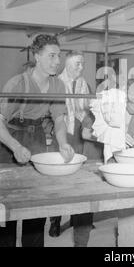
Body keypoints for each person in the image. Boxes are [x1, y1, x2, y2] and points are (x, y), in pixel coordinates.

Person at [0, 34, 74, 247]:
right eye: (52, 56)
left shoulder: (58, 85)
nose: (57, 61)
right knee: (8, 210)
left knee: (36, 206)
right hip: (10, 139)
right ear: (36, 56)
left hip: (37, 138)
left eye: (58, 56)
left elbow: (59, 120)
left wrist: (63, 143)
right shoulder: (17, 83)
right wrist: (15, 147)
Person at [49, 50, 94, 247]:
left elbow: (91, 111)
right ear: (66, 64)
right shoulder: (55, 83)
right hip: (63, 134)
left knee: (82, 182)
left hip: (81, 136)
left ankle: (81, 224)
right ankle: (55, 219)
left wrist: (87, 123)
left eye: (82, 64)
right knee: (60, 184)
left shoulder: (85, 84)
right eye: (77, 64)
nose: (81, 68)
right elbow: (47, 114)